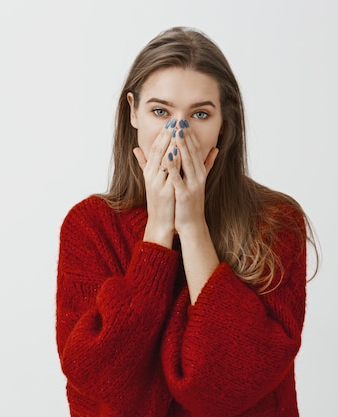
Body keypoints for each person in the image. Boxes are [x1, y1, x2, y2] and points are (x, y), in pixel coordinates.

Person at [56, 26, 317, 417]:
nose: (179, 135)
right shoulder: (89, 226)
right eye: (160, 112)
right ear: (132, 112)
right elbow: (101, 380)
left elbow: (228, 386)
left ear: (224, 122)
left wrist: (193, 225)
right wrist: (158, 232)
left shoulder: (276, 222)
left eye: (199, 114)